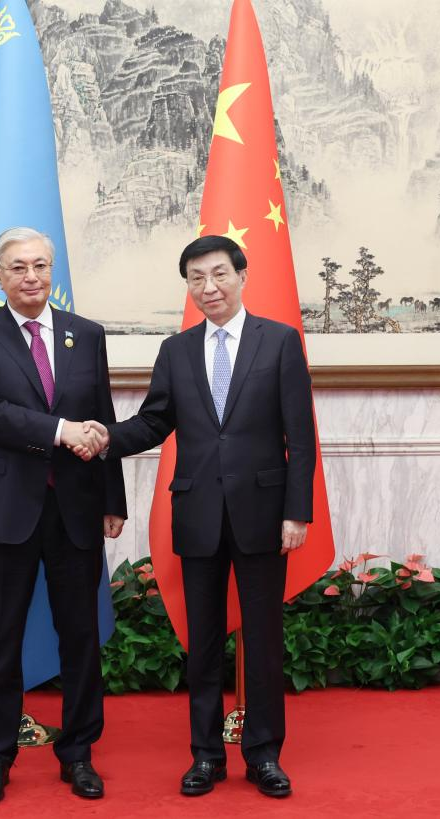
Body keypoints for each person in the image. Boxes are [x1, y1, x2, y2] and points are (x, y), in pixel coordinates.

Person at [82, 235, 316, 799]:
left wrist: (297, 512)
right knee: (203, 642)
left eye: (218, 274)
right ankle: (206, 755)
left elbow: (300, 435)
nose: (208, 287)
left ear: (242, 275)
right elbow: (153, 421)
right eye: (196, 278)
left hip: (264, 515)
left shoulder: (280, 341)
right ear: (187, 286)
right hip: (198, 515)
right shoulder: (177, 350)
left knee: (263, 640)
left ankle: (263, 754)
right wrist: (105, 437)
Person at [0, 226, 124, 805]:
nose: (32, 276)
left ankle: (78, 753)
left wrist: (113, 499)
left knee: (81, 636)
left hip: (76, 508)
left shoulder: (86, 334)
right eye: (19, 267)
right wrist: (59, 431)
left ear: (53, 271)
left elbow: (102, 416)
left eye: (41, 266)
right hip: (5, 509)